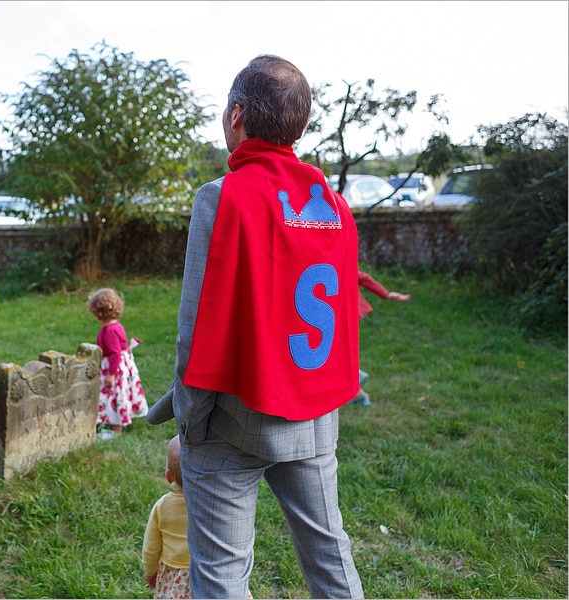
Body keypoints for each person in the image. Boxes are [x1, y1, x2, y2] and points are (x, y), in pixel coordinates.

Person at [146, 55, 365, 598]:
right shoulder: (333, 204)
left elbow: (196, 323)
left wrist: (190, 419)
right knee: (330, 556)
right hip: (313, 418)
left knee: (221, 574)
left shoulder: (222, 196)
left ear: (236, 113)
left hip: (231, 419)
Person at [86, 287, 148, 439]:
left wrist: (111, 374)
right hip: (120, 365)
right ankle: (109, 424)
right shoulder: (116, 325)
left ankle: (116, 429)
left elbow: (115, 353)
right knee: (114, 396)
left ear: (98, 311)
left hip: (115, 368)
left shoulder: (109, 330)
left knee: (115, 395)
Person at [350, 269, 412, 406]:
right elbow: (363, 277)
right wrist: (386, 294)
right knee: (343, 349)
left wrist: (387, 294)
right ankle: (360, 396)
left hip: (342, 311)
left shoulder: (330, 258)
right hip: (351, 310)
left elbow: (360, 276)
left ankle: (355, 374)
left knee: (335, 352)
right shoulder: (339, 257)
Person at [142, 435, 191, 599]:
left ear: (168, 477)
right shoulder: (212, 504)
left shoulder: (162, 506)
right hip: (209, 572)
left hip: (173, 575)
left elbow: (151, 546)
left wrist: (150, 572)